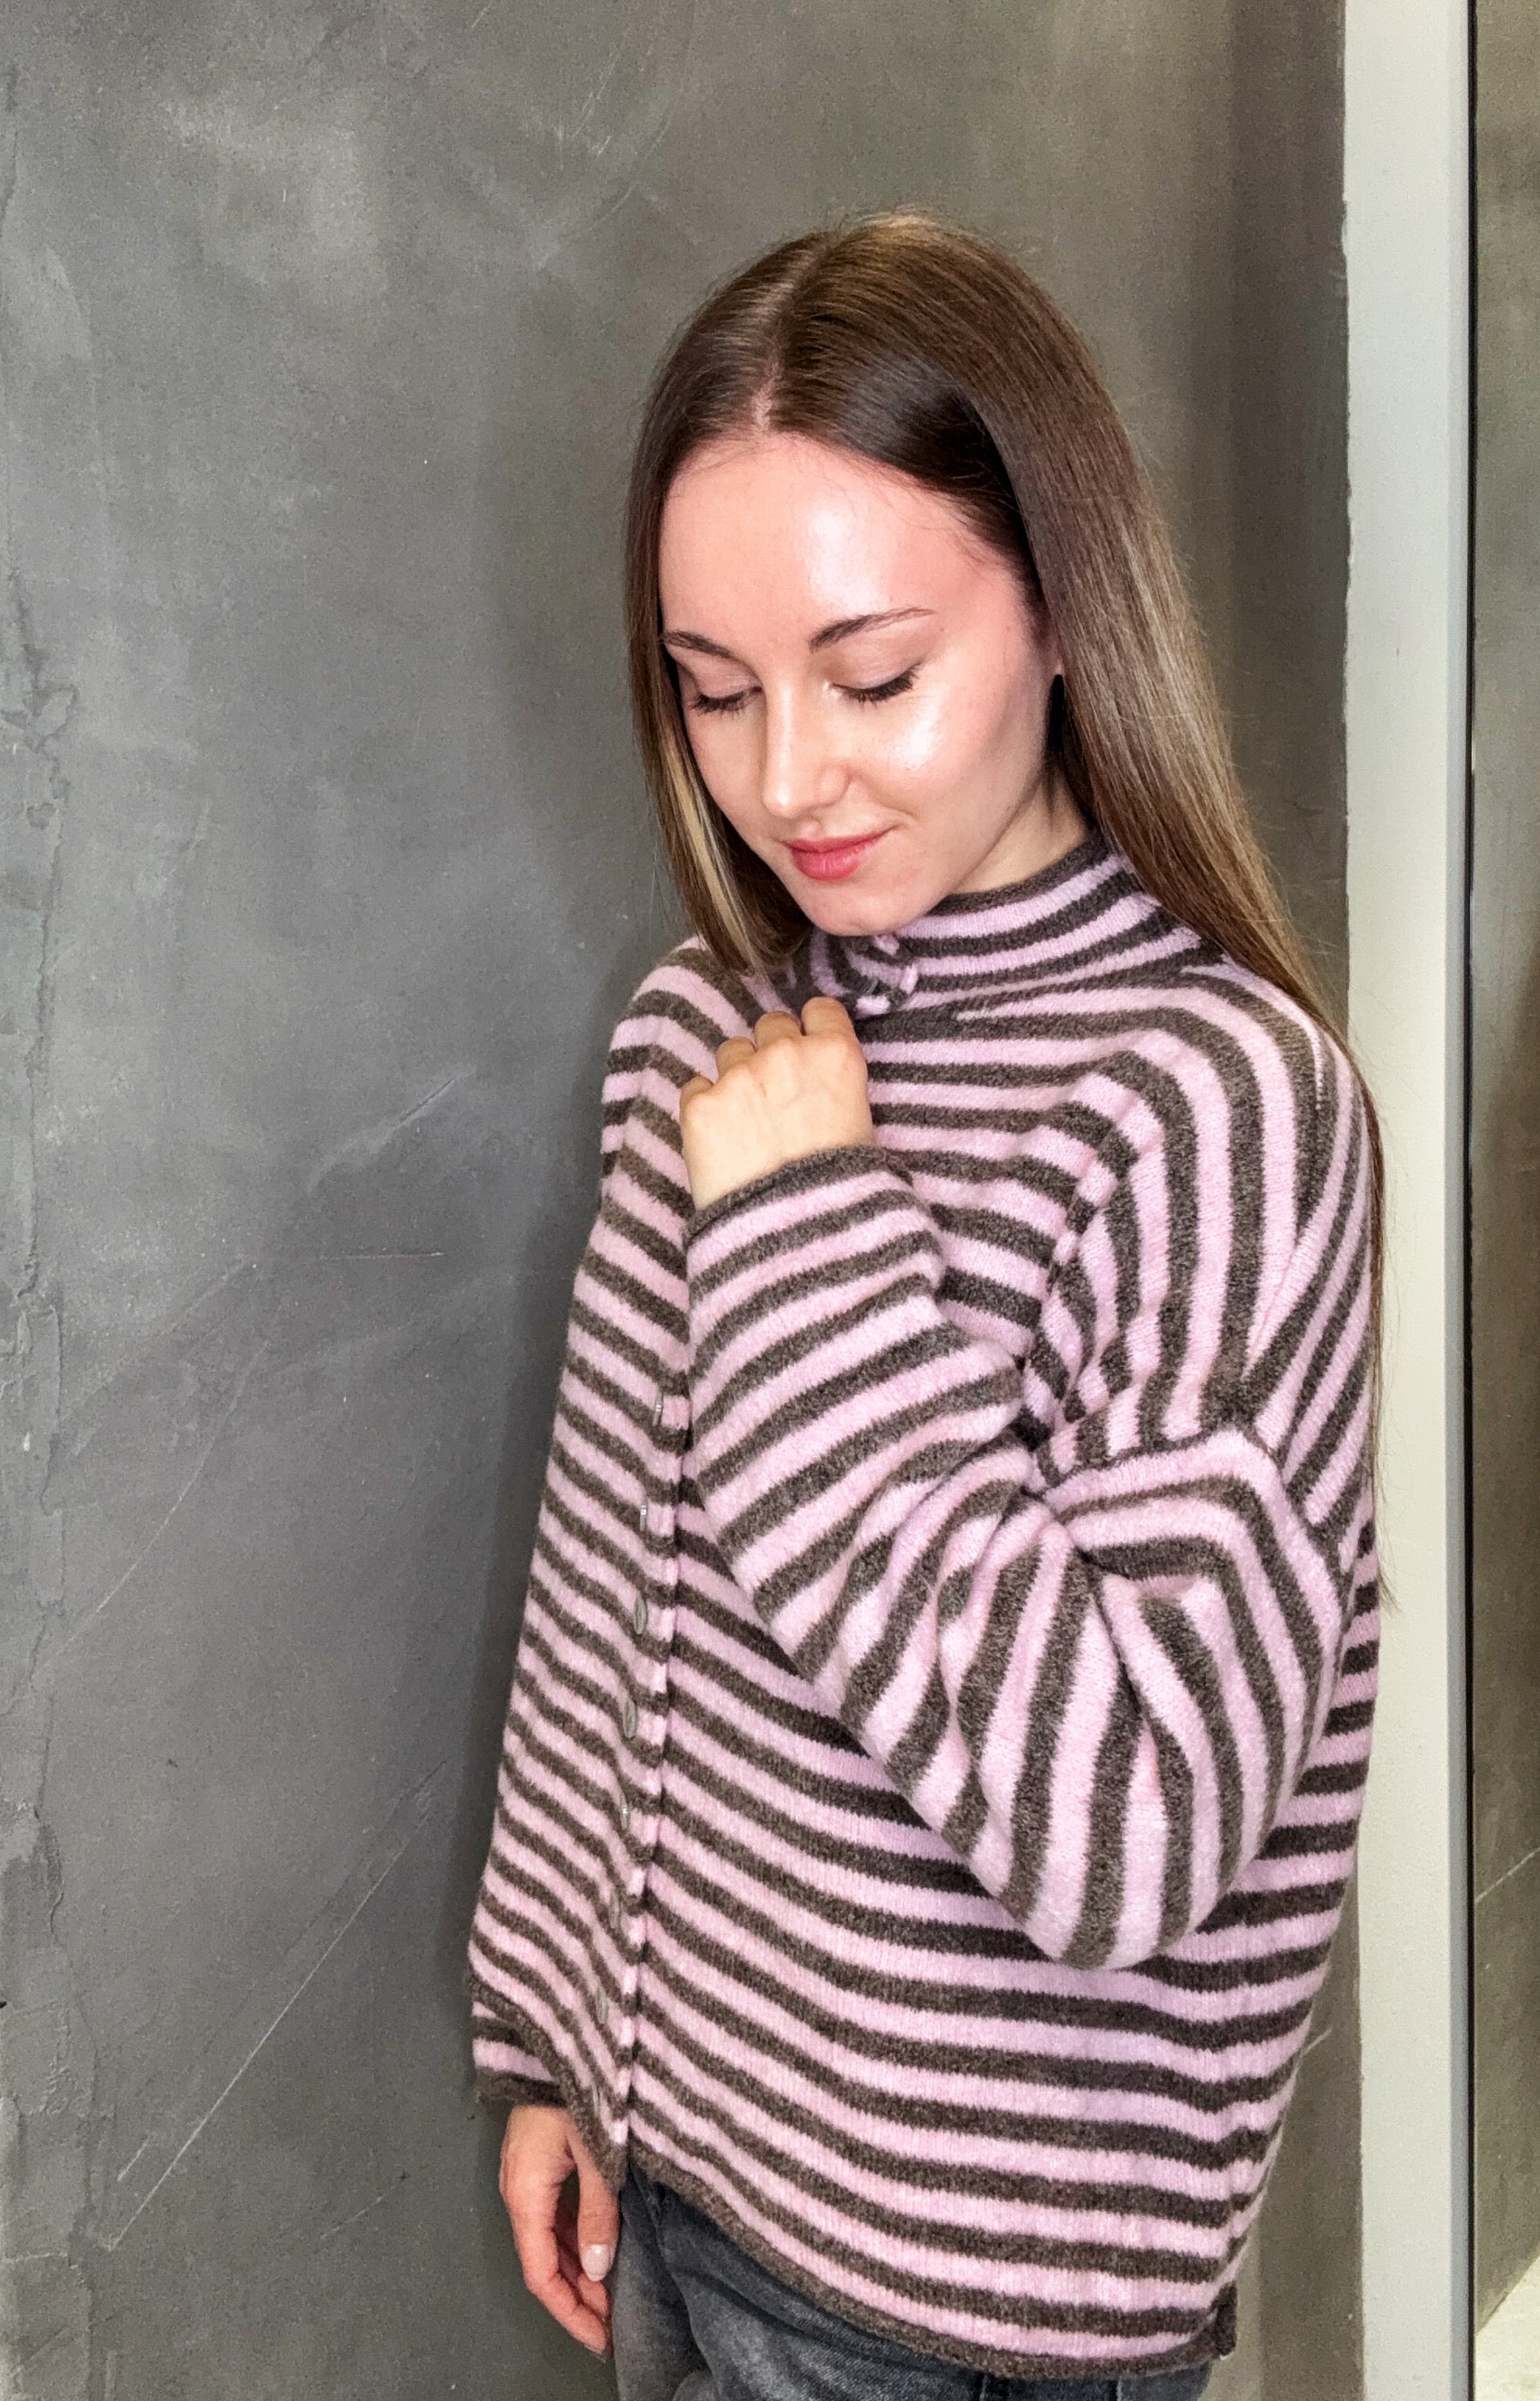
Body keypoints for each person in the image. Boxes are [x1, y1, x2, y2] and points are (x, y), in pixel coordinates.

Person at [465, 209, 1381, 2401]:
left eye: (871, 675)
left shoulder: (1215, 1104)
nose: (787, 777)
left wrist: (807, 1241)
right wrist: (557, 2038)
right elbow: (619, 1603)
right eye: (713, 689)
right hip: (680, 2178)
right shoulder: (706, 1031)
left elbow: (1136, 1827)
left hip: (962, 2316)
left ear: (1062, 604)